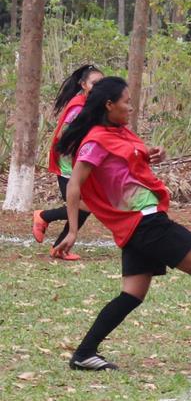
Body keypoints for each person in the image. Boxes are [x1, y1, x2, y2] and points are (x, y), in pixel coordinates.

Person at [53, 77, 191, 375]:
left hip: (139, 224)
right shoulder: (95, 140)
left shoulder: (117, 132)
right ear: (109, 104)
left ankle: (84, 353)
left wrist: (153, 155)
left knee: (132, 294)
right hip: (146, 223)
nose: (131, 106)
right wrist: (74, 231)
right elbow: (75, 185)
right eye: (126, 101)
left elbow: (125, 167)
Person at [33, 64, 104, 260]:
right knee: (86, 205)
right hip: (68, 166)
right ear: (83, 84)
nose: (98, 87)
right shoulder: (78, 107)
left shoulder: (91, 104)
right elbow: (65, 136)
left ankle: (59, 248)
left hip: (81, 164)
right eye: (94, 83)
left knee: (83, 210)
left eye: (101, 83)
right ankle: (44, 216)